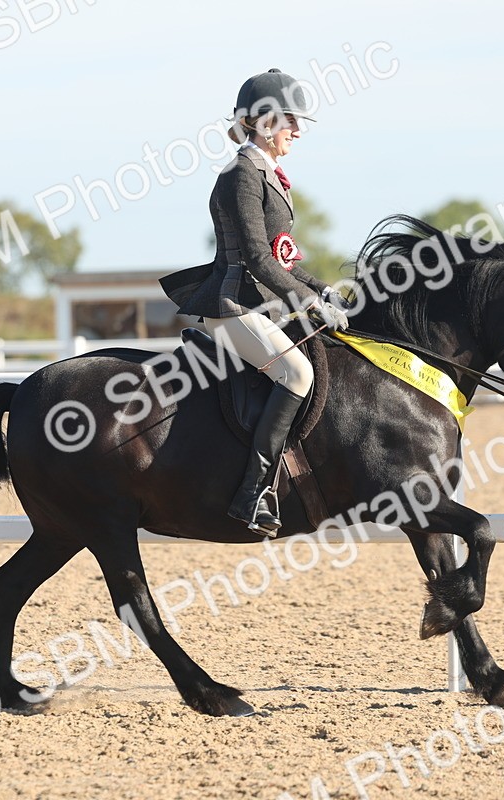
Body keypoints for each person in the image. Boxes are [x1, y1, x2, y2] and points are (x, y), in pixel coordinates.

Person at [160, 68, 350, 536]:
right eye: (290, 121)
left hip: (263, 304)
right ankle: (253, 493)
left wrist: (323, 290)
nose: (298, 130)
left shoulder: (269, 175)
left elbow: (282, 257)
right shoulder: (240, 175)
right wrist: (307, 301)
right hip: (234, 306)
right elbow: (258, 260)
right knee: (298, 373)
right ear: (264, 122)